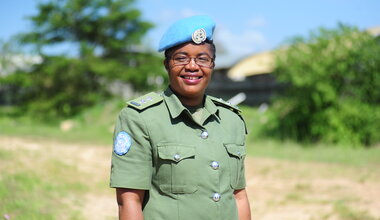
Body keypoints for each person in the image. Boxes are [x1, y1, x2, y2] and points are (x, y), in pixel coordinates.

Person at [110, 15, 251, 220]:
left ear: (212, 65)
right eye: (181, 58)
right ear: (167, 64)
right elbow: (129, 200)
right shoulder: (140, 119)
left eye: (202, 59)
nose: (192, 66)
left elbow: (239, 196)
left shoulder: (231, 120)